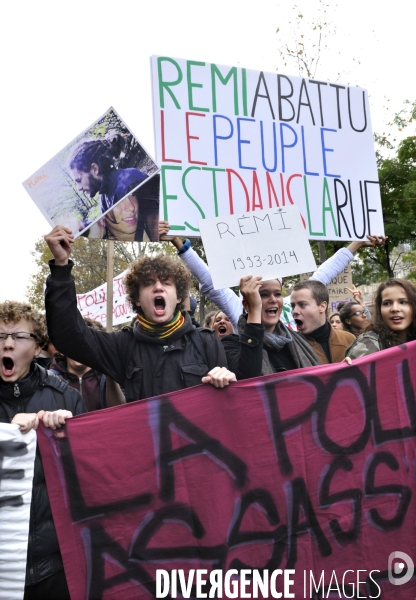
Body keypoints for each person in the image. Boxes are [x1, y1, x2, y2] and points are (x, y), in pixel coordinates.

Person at [44, 226, 236, 401]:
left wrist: (228, 381)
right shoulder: (122, 345)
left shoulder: (205, 341)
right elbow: (68, 335)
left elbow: (226, 406)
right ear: (137, 299)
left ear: (178, 297)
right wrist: (61, 266)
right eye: (149, 283)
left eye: (166, 283)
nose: (158, 287)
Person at [0, 300, 85, 600]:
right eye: (0, 336)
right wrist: (8, 434)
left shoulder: (66, 398)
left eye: (19, 337)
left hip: (55, 565)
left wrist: (71, 435)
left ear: (37, 348)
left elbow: (89, 478)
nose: (7, 345)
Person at [159, 223, 387, 333]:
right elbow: (211, 282)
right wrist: (179, 243)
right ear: (246, 298)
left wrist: (357, 243)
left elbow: (324, 274)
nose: (271, 300)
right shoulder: (241, 313)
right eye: (261, 294)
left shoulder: (292, 306)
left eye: (276, 293)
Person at [222, 276, 321, 380]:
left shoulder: (300, 340)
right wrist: (254, 309)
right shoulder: (231, 344)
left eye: (278, 294)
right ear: (246, 304)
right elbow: (249, 378)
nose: (273, 300)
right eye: (263, 295)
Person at [49, 318, 125, 410]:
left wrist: (110, 375)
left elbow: (119, 411)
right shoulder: (50, 379)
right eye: (73, 344)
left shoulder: (105, 377)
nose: (79, 350)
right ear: (63, 350)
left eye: (85, 343)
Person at [69, 134, 149, 214]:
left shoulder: (128, 184)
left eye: (79, 180)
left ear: (95, 169)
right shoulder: (104, 198)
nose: (79, 188)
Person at [346, 278, 416, 359]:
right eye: (387, 303)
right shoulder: (369, 343)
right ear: (379, 309)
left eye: (403, 302)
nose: (395, 308)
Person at [291, 280, 356, 363]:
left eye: (302, 305)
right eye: (293, 306)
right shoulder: (291, 347)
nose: (294, 311)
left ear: (322, 306)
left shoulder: (349, 339)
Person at [83, 175, 160, 242]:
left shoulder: (155, 224)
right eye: (117, 201)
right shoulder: (104, 243)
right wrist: (95, 238)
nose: (131, 207)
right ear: (104, 213)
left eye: (132, 194)